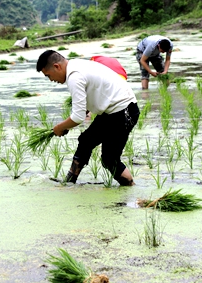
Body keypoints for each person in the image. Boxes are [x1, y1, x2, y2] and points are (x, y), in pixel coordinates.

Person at [36, 50, 139, 186]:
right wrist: (67, 124)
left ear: (56, 66)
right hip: (115, 110)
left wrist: (59, 127)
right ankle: (70, 181)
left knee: (109, 159)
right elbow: (88, 101)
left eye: (48, 76)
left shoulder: (74, 77)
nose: (51, 80)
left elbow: (78, 117)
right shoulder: (76, 64)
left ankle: (130, 186)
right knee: (86, 141)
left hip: (123, 112)